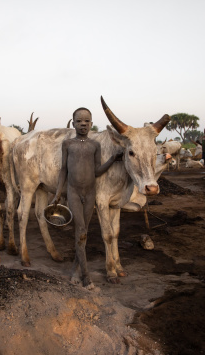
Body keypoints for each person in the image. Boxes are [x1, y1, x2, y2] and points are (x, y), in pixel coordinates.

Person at [51, 107, 122, 290]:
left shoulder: (94, 146)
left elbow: (97, 171)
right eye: (79, 121)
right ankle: (86, 276)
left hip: (90, 193)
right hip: (73, 192)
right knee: (80, 230)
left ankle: (76, 269)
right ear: (73, 123)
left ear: (91, 123)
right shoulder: (67, 144)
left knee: (84, 233)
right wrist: (58, 193)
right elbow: (63, 170)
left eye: (86, 121)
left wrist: (112, 159)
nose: (83, 124)